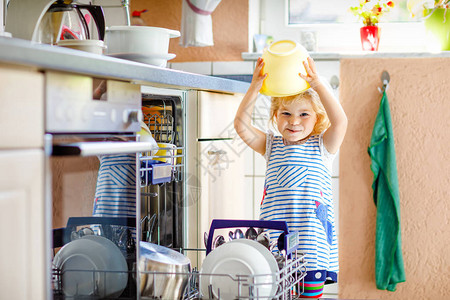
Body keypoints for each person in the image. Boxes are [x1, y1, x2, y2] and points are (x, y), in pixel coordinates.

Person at [234, 56, 347, 298]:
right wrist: (255, 86)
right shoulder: (271, 145)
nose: (294, 121)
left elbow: (341, 121)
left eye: (304, 114)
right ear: (275, 116)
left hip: (311, 247)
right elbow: (241, 125)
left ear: (318, 118)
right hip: (274, 247)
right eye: (286, 113)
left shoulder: (323, 146)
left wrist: (317, 84)